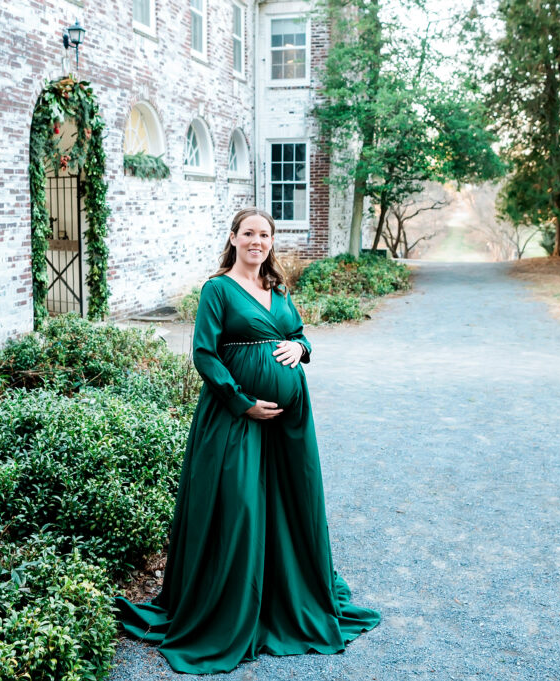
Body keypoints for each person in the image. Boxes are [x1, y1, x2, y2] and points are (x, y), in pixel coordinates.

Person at [114, 207, 380, 674]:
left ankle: (281, 597)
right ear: (234, 238)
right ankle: (231, 606)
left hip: (289, 424)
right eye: (249, 233)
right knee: (239, 504)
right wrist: (242, 402)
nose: (257, 241)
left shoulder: (278, 288)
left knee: (290, 502)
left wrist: (300, 347)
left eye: (265, 235)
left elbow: (299, 335)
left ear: (272, 242)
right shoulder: (217, 289)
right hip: (234, 416)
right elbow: (204, 354)